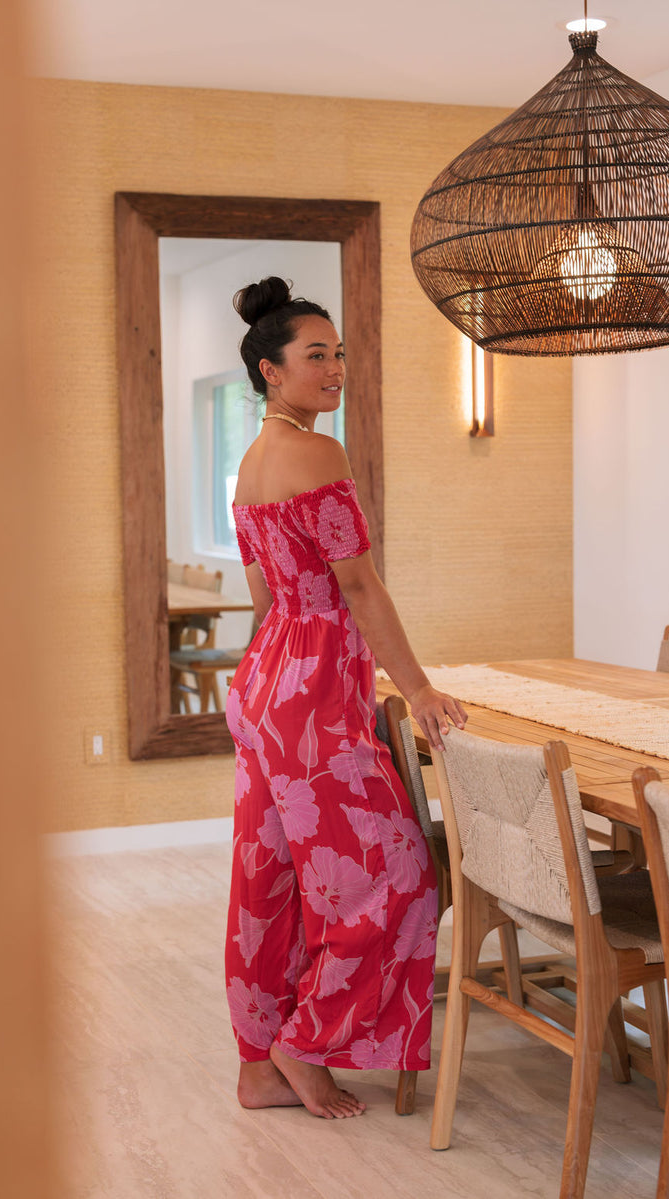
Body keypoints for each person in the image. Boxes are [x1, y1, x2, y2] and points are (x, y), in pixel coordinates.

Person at [224, 277, 467, 1119]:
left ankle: (258, 1064)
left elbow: (261, 599)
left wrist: (276, 679)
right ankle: (303, 1044)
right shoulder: (316, 453)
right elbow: (358, 586)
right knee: (398, 874)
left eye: (338, 354)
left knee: (273, 878)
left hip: (264, 683)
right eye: (315, 356)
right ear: (270, 371)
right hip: (313, 688)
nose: (334, 369)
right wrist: (420, 688)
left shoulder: (250, 463)